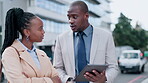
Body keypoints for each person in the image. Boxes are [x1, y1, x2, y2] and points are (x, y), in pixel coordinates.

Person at [53, 1, 118, 83]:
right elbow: (57, 68)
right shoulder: (61, 38)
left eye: (75, 17)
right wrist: (67, 80)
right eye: (69, 17)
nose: (70, 21)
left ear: (86, 16)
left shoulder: (106, 36)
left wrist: (104, 79)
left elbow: (113, 67)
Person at [1, 8, 61, 83]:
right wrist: (50, 80)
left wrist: (30, 80)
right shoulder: (10, 53)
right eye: (40, 29)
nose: (43, 32)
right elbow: (19, 81)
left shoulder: (42, 54)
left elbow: (57, 78)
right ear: (27, 32)